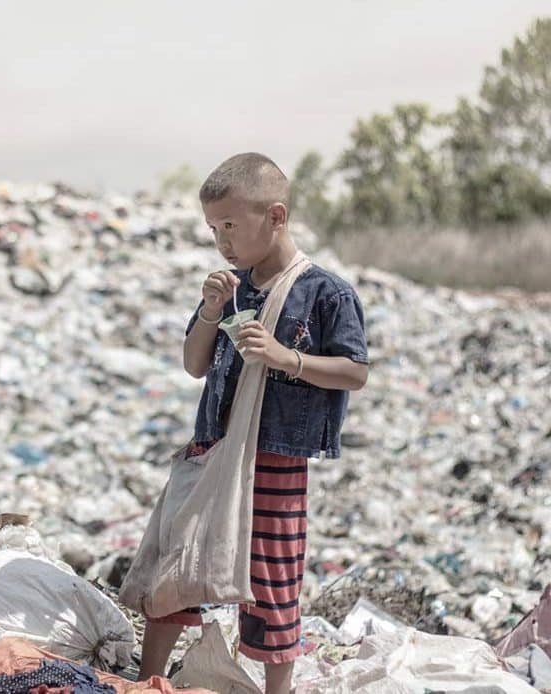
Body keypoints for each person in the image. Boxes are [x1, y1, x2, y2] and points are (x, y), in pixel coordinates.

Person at [137, 153, 369, 694]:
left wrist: (286, 357)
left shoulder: (325, 293)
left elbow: (354, 371)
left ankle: (277, 689)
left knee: (271, 577)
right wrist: (211, 309)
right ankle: (147, 680)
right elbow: (195, 364)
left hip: (276, 456)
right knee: (178, 561)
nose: (222, 240)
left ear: (277, 216)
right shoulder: (231, 287)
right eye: (214, 228)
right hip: (213, 447)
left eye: (231, 226)